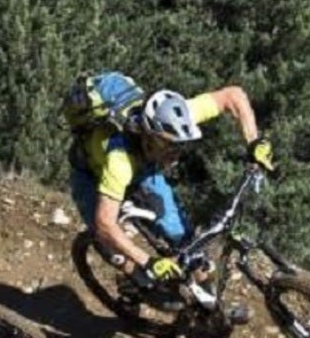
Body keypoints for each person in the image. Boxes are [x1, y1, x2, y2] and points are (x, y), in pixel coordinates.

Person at [70, 83, 274, 322]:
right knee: (114, 247)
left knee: (186, 239)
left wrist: (253, 143)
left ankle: (212, 307)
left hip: (143, 170)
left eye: (180, 145)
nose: (175, 154)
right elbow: (105, 223)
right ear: (148, 137)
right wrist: (147, 261)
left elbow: (233, 96)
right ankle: (131, 286)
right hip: (90, 178)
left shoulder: (178, 116)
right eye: (168, 145)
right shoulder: (120, 160)